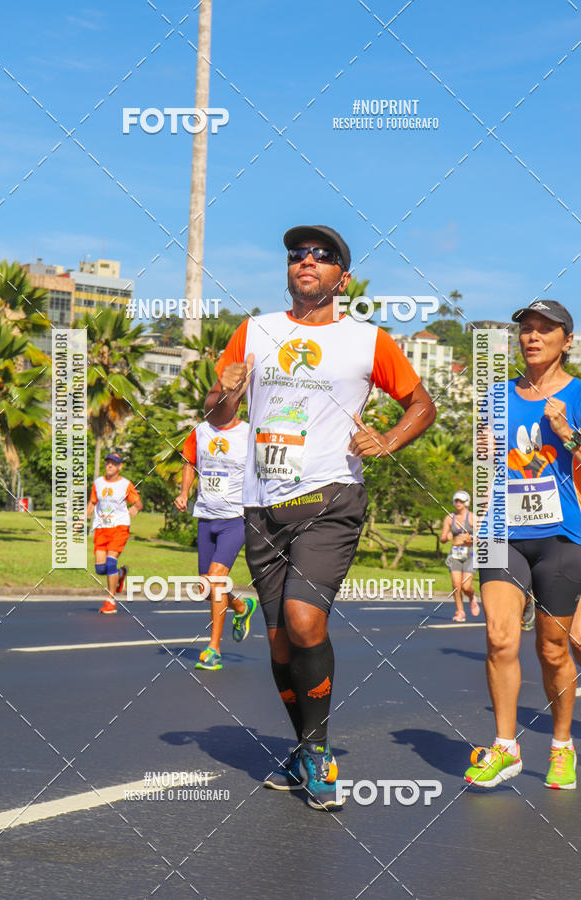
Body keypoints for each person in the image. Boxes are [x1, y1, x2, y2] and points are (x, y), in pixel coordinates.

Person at [205, 224, 436, 809]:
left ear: (343, 276)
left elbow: (421, 405)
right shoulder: (254, 331)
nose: (307, 261)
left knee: (306, 624)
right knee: (281, 646)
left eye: (323, 255)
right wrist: (227, 393)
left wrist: (390, 441)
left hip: (329, 499)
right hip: (261, 504)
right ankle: (306, 747)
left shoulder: (368, 341)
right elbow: (216, 412)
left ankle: (320, 753)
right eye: (297, 254)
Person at [465, 300, 581, 790]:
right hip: (500, 532)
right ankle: (505, 747)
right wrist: (485, 456)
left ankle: (560, 746)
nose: (532, 337)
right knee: (498, 637)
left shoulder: (577, 394)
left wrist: (568, 435)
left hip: (561, 535)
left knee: (553, 649)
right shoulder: (495, 395)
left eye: (544, 330)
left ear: (566, 342)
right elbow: (487, 468)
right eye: (526, 330)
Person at [174, 415, 257, 671]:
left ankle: (214, 650)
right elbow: (190, 462)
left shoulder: (249, 432)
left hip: (235, 518)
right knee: (206, 587)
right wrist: (184, 492)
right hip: (206, 516)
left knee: (216, 579)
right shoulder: (200, 431)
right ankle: (242, 606)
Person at [86, 452, 142, 614]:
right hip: (102, 528)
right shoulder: (98, 483)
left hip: (119, 527)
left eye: (113, 463)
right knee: (100, 569)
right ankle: (120, 574)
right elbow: (92, 502)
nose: (109, 466)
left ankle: (110, 600)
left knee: (110, 564)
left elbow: (138, 503)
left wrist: (135, 508)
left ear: (119, 467)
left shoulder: (125, 484)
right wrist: (82, 519)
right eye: (108, 462)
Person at [440, 490, 479, 622]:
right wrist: (447, 537)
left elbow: (481, 537)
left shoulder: (473, 517)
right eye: (456, 501)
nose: (458, 503)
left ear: (466, 503)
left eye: (461, 501)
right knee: (456, 585)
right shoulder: (449, 518)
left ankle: (472, 597)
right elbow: (443, 538)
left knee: (466, 586)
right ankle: (460, 611)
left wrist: (472, 539)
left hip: (470, 554)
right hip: (455, 553)